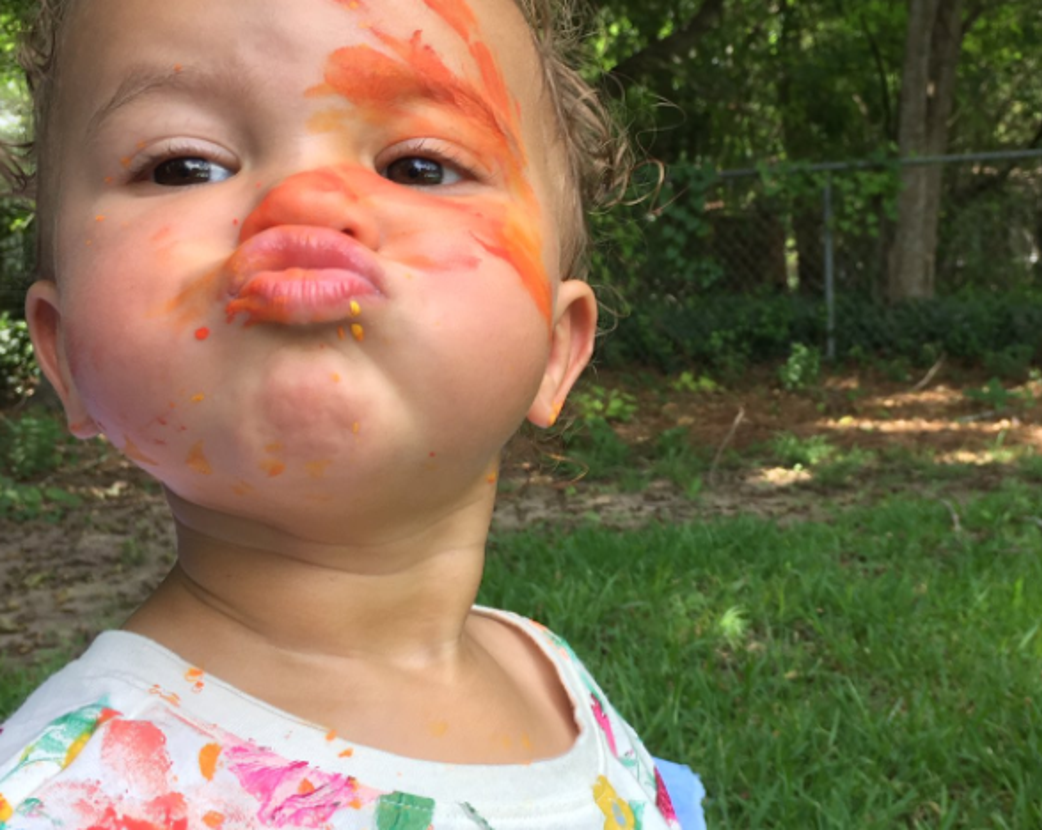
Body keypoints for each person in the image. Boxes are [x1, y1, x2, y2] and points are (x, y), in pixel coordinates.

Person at [0, 0, 705, 827]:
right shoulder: (57, 798)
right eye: (184, 167)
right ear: (66, 353)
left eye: (419, 167)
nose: (302, 202)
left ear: (555, 350)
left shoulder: (549, 675)